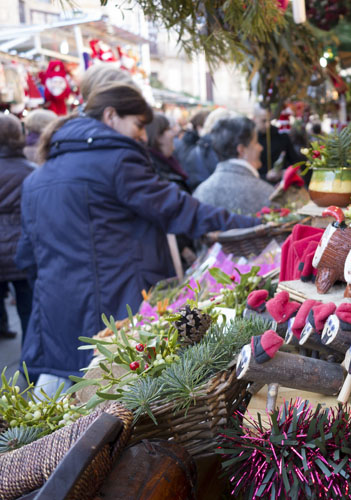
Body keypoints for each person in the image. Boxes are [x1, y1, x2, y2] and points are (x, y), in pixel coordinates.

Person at [15, 83, 260, 395]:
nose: (144, 135)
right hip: (114, 313)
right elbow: (177, 208)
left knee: (61, 421)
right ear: (110, 115)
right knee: (118, 414)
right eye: (139, 124)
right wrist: (250, 225)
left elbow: (27, 256)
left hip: (55, 317)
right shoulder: (116, 161)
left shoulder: (37, 176)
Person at [193, 116, 275, 217]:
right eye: (256, 142)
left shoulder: (200, 193)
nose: (260, 148)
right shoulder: (268, 195)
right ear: (241, 150)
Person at [0, 114, 34, 342]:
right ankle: (29, 359)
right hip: (22, 248)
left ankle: (2, 328)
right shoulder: (30, 171)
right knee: (27, 310)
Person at [253, 106, 305, 183]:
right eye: (263, 121)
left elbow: (295, 162)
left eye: (269, 120)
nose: (267, 125)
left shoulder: (281, 136)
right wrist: (265, 176)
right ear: (254, 119)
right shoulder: (248, 139)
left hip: (280, 184)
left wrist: (286, 172)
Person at [146, 112, 190, 192]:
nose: (173, 133)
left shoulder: (165, 164)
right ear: (157, 136)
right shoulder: (155, 172)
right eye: (168, 129)